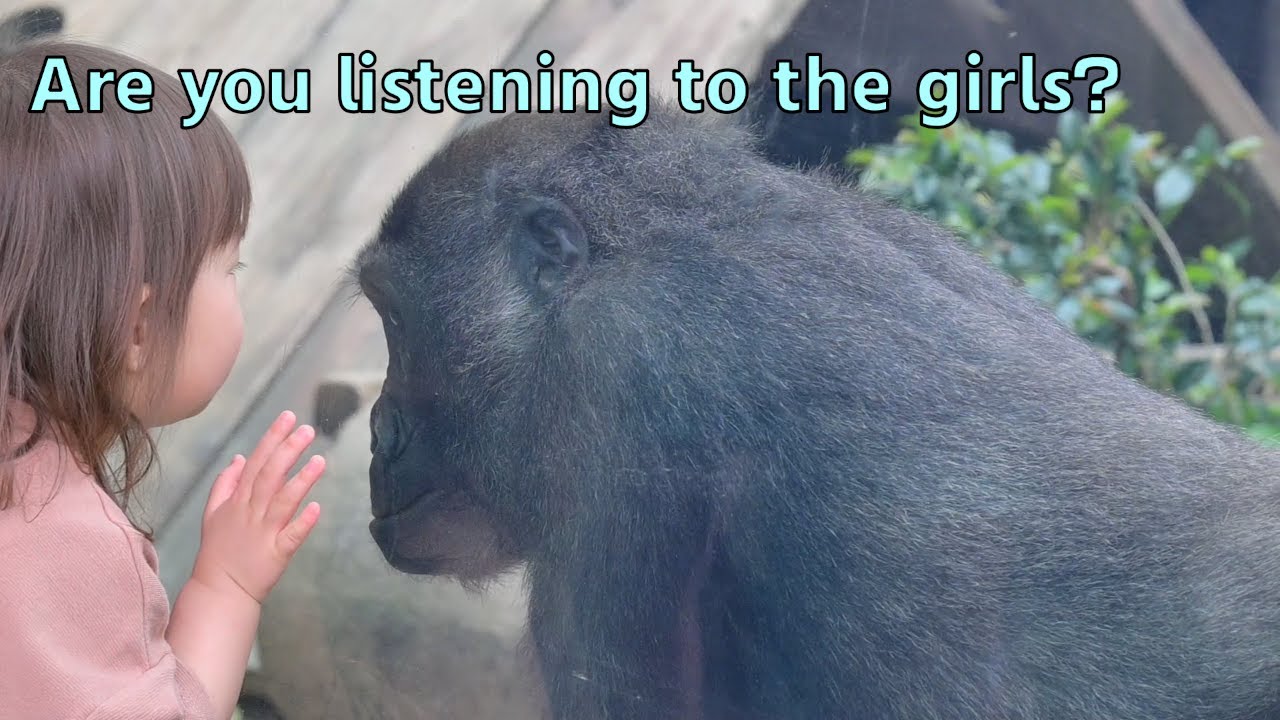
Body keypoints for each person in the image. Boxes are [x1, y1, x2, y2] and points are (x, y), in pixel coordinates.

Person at [0, 38, 326, 719]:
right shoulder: (64, 541)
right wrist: (227, 586)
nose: (237, 290)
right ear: (138, 330)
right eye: (230, 268)